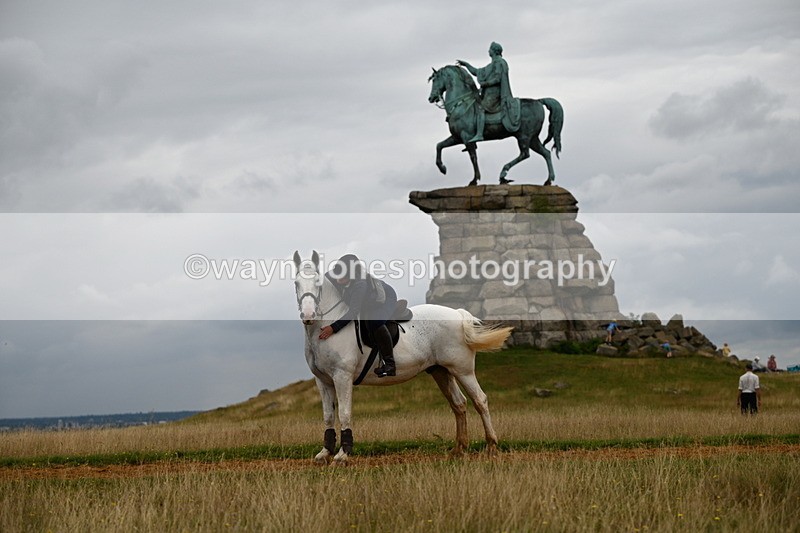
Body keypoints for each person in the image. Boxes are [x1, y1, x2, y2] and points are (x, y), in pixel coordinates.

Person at [318, 254, 399, 377]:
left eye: (342, 276)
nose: (338, 279)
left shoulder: (360, 284)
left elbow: (353, 311)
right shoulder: (335, 273)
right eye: (337, 274)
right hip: (364, 300)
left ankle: (390, 365)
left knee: (374, 322)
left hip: (385, 298)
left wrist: (333, 328)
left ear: (351, 274)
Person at [456, 42, 521, 142]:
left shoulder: (500, 62)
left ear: (494, 51)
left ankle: (479, 134)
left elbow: (498, 79)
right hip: (488, 93)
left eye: (490, 49)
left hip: (495, 93)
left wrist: (486, 84)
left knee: (480, 108)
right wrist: (466, 65)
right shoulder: (492, 64)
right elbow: (476, 72)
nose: (488, 51)